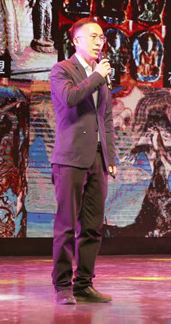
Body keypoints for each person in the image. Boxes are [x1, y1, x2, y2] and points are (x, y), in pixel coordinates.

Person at [49, 17, 118, 305]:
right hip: (70, 158)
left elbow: (106, 118)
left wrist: (110, 156)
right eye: (93, 36)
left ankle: (84, 284)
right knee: (66, 225)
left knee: (92, 226)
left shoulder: (101, 75)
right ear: (76, 41)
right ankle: (63, 286)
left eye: (102, 37)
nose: (99, 41)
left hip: (97, 159)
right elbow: (70, 98)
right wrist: (97, 76)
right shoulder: (62, 70)